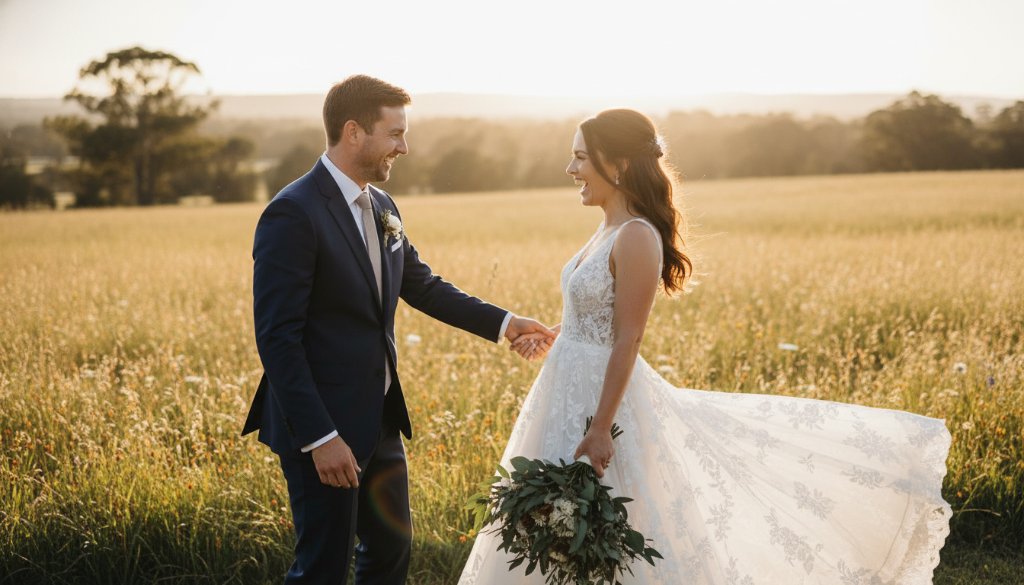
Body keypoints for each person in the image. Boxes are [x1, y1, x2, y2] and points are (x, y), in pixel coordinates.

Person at [459, 109, 951, 584]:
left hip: (601, 404)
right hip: (565, 388)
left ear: (621, 163)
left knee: (609, 524)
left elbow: (628, 338)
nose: (571, 169)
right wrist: (557, 337)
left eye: (582, 157)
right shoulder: (605, 228)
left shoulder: (636, 236)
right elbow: (597, 320)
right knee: (553, 528)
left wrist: (603, 428)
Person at [242, 74, 555, 585]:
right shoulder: (293, 213)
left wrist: (505, 323)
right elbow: (277, 338)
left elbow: (423, 286)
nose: (404, 147)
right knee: (322, 566)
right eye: (395, 134)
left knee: (390, 552)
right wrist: (321, 436)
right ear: (354, 132)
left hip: (380, 417)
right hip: (321, 425)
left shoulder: (384, 207)